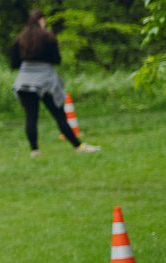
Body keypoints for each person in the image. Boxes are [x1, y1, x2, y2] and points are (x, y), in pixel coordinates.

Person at [9, 10, 101, 157]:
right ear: (41, 20)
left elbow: (14, 63)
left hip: (24, 81)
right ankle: (78, 146)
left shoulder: (20, 38)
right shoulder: (48, 37)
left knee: (31, 117)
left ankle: (34, 150)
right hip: (46, 80)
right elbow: (56, 59)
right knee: (59, 115)